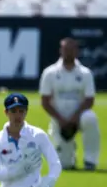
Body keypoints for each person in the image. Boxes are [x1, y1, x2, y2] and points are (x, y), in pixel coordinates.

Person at [39, 37, 100, 171]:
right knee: (65, 165)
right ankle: (69, 155)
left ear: (77, 51)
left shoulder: (85, 73)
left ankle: (90, 160)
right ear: (61, 51)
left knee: (90, 118)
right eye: (66, 49)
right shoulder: (50, 73)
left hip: (80, 115)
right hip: (59, 118)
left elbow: (89, 99)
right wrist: (61, 120)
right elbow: (45, 101)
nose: (68, 53)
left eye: (72, 49)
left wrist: (75, 117)